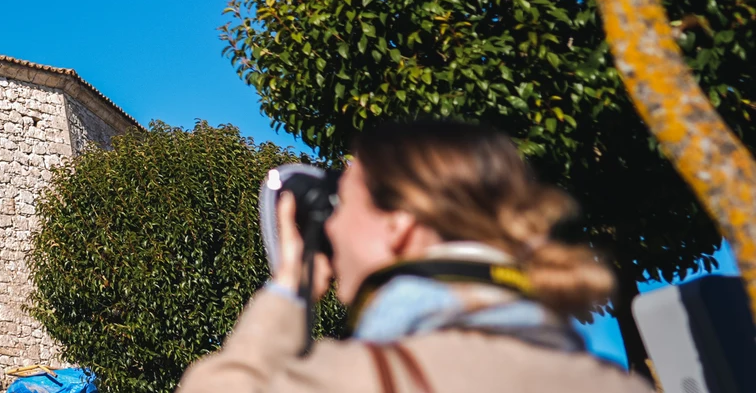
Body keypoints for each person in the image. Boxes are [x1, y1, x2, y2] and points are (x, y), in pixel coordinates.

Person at [178, 120, 649, 392]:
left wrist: (287, 289)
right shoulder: (616, 382)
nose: (332, 226)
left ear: (398, 222)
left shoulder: (360, 379)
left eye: (343, 199)